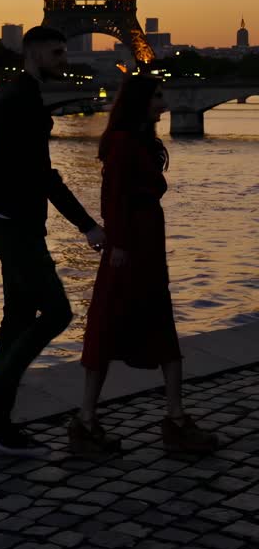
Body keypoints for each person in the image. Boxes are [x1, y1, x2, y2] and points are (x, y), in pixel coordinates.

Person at [0, 25, 105, 455]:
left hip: (7, 219)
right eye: (58, 52)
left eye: (65, 50)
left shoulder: (21, 97)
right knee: (58, 311)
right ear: (34, 53)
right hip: (15, 225)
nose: (66, 58)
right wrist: (87, 225)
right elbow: (43, 176)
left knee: (19, 316)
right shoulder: (24, 103)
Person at [68, 74, 218, 459]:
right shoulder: (122, 143)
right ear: (140, 101)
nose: (163, 100)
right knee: (110, 325)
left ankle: (173, 415)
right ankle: (103, 420)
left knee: (147, 324)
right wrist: (117, 243)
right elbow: (113, 195)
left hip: (146, 244)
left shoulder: (137, 141)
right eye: (157, 95)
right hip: (130, 245)